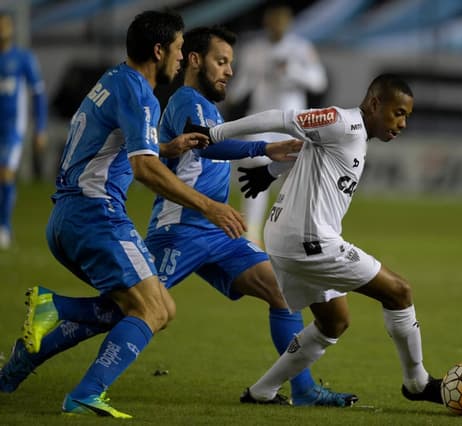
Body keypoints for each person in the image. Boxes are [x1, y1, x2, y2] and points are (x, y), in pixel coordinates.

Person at [0, 24, 356, 409]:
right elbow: (208, 145)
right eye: (221, 62)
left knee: (282, 293)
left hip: (218, 234)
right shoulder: (187, 100)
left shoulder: (200, 105)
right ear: (194, 60)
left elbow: (187, 146)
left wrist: (263, 157)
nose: (229, 71)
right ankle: (35, 360)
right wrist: (264, 148)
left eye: (231, 63)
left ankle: (301, 389)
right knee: (127, 309)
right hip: (179, 230)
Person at [0, 10, 247, 419]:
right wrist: (209, 206)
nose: (182, 57)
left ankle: (14, 370)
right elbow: (143, 169)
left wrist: (167, 148)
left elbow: (119, 146)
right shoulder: (139, 92)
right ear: (158, 50)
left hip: (68, 216)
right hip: (95, 216)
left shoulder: (114, 79)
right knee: (155, 310)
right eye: (180, 49)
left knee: (145, 307)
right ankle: (80, 378)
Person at [188, 74, 445, 406]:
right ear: (374, 104)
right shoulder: (342, 122)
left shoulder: (352, 136)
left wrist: (269, 172)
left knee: (333, 322)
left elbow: (310, 149)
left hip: (289, 239)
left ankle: (261, 392)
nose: (403, 123)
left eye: (407, 116)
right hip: (308, 241)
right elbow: (281, 119)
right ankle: (417, 383)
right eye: (398, 113)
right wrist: (215, 133)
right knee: (399, 292)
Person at [226, 3, 327, 246]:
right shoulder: (254, 49)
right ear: (266, 22)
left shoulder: (301, 48)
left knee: (294, 181)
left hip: (293, 123)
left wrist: (292, 72)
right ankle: (250, 234)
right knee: (255, 173)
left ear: (289, 22)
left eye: (281, 20)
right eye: (273, 20)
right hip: (261, 121)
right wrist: (228, 97)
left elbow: (318, 82)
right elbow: (245, 81)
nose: (277, 25)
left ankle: (294, 235)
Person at [0, 11, 47, 249]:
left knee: (6, 173)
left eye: (5, 26)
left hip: (12, 127)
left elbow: (38, 94)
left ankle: (4, 227)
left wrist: (40, 128)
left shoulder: (22, 58)